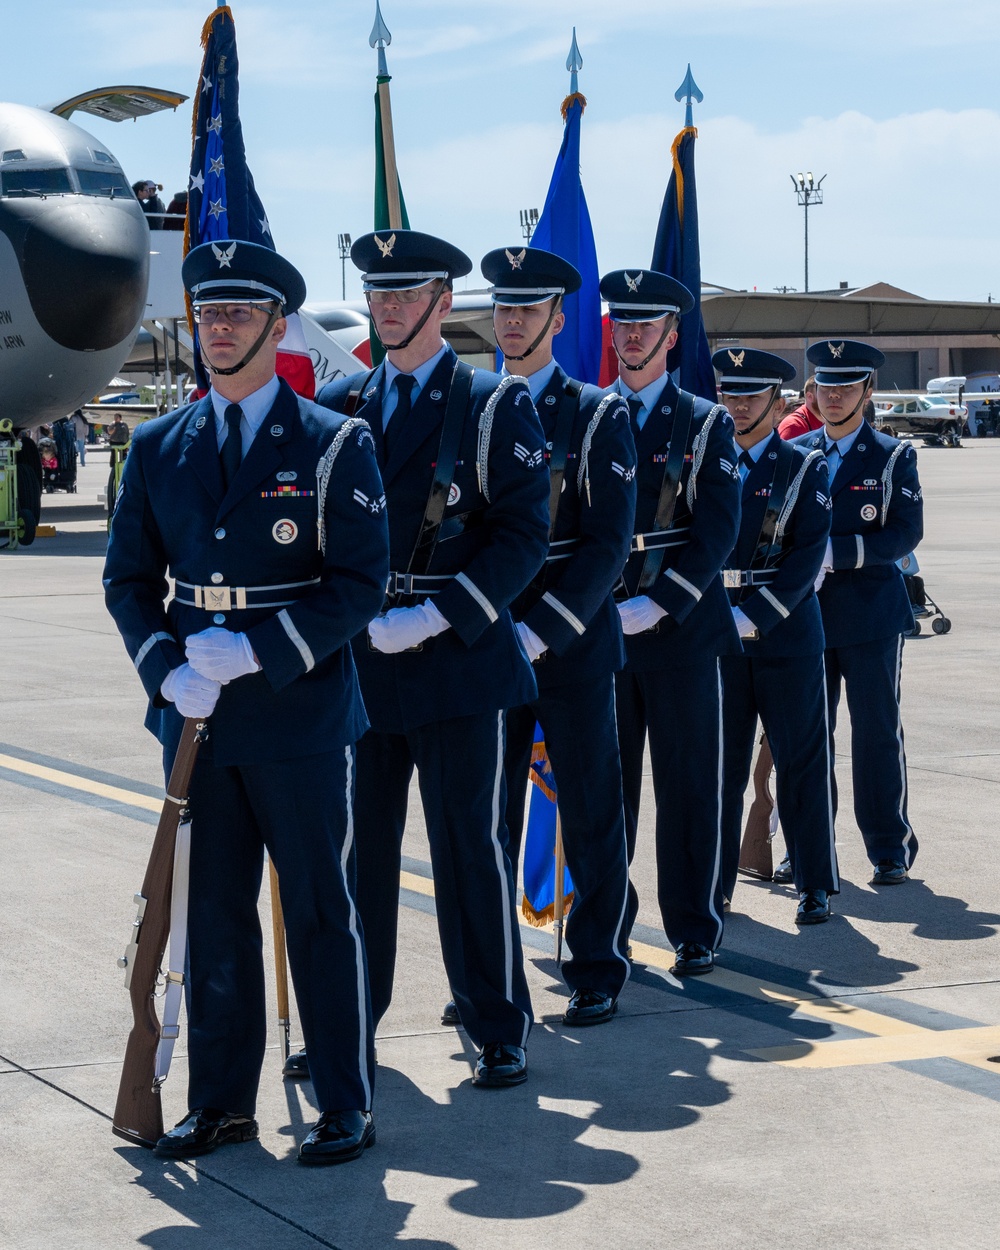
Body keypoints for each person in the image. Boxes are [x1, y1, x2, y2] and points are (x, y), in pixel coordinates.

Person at [103, 239, 390, 1166]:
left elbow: (359, 582)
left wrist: (260, 649)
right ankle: (223, 1103)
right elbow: (128, 580)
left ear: (278, 325)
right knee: (214, 913)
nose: (218, 329)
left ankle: (345, 1099)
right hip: (195, 714)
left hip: (299, 714)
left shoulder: (333, 441)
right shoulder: (157, 446)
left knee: (317, 908)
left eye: (237, 313)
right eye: (208, 314)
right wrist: (162, 665)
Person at [312, 229, 551, 1087]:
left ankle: (495, 1023)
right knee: (357, 853)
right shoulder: (340, 405)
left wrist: (439, 617)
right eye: (378, 293)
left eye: (405, 294)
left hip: (457, 661)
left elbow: (524, 536)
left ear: (443, 304)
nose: (387, 308)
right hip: (362, 665)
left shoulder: (491, 405)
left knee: (468, 850)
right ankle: (349, 1026)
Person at [482, 245, 635, 1027]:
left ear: (557, 318)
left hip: (569, 642)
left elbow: (608, 545)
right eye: (503, 308)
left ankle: (597, 964)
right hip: (489, 640)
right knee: (488, 818)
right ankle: (493, 977)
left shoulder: (598, 412)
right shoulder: (472, 408)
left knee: (590, 810)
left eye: (527, 309)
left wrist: (540, 631)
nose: (512, 322)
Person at [601, 268, 741, 976]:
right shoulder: (591, 416)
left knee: (688, 788)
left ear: (671, 335)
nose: (631, 335)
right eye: (622, 323)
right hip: (603, 639)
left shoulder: (706, 421)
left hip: (681, 633)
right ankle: (607, 926)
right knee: (606, 795)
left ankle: (693, 925)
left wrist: (658, 602)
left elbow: (717, 531)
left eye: (645, 324)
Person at [712, 347, 838, 924]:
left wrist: (751, 616)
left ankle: (814, 883)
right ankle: (712, 888)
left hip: (785, 634)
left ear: (778, 401)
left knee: (801, 764)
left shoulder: (805, 465)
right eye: (729, 394)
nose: (738, 406)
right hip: (717, 635)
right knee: (718, 769)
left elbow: (807, 558)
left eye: (751, 395)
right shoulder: (704, 461)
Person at [793, 340, 924, 884]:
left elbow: (904, 533)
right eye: (826, 383)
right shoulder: (796, 453)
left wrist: (836, 552)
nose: (835, 394)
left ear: (868, 392)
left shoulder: (894, 456)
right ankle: (810, 848)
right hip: (806, 617)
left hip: (871, 615)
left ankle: (888, 846)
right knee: (806, 740)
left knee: (875, 734)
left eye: (847, 385)